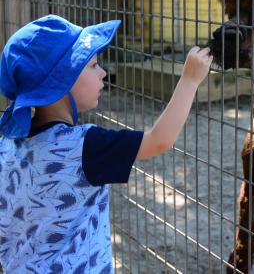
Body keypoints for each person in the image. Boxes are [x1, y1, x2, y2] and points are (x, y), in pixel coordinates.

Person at [0, 14, 212, 273]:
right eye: (92, 65)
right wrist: (189, 80)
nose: (103, 73)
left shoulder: (7, 146)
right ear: (61, 81)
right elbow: (159, 140)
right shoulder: (84, 147)